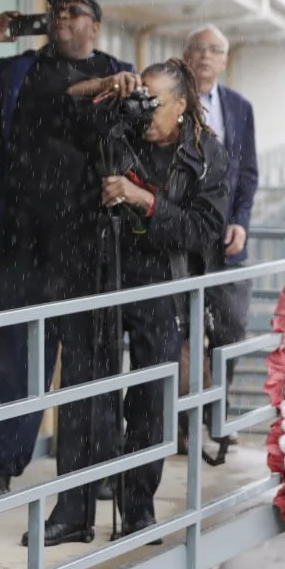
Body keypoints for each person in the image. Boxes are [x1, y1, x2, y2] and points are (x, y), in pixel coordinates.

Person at [0, 0, 132, 506]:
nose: (63, 20)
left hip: (88, 246)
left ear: (95, 24)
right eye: (57, 13)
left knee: (90, 361)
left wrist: (128, 93)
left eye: (75, 13)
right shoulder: (16, 73)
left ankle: (97, 468)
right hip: (15, 244)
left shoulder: (120, 75)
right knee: (12, 360)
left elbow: (149, 132)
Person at [54, 59, 230, 539]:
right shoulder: (115, 125)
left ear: (183, 104)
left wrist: (144, 200)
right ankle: (72, 512)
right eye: (140, 97)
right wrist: (109, 86)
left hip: (163, 281)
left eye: (154, 102)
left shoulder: (207, 154)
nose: (144, 110)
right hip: (100, 270)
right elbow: (57, 110)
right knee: (86, 391)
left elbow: (203, 230)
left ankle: (138, 510)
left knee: (151, 400)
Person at [181, 25, 259, 463]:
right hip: (179, 242)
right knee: (179, 335)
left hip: (226, 244)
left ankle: (218, 420)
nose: (207, 56)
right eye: (199, 49)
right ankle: (181, 424)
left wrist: (241, 224)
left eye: (216, 50)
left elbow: (247, 175)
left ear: (225, 60)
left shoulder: (239, 108)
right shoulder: (170, 100)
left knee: (228, 330)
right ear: (186, 55)